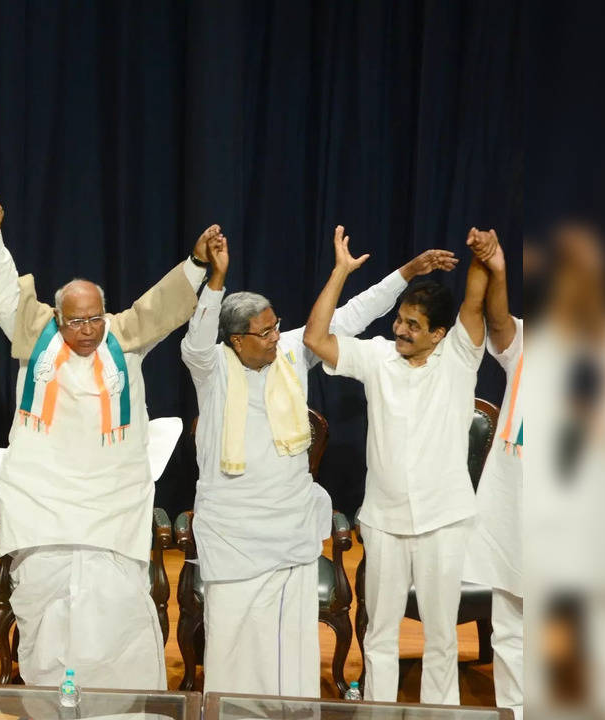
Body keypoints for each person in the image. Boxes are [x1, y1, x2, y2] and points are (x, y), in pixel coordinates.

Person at [182, 227, 455, 696]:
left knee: (290, 646)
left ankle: (291, 711)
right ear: (235, 340)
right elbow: (200, 329)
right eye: (263, 331)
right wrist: (215, 278)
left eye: (275, 326)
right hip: (233, 533)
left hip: (288, 529)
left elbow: (352, 315)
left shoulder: (289, 353)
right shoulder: (210, 368)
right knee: (232, 641)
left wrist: (402, 273)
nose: (273, 336)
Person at [0, 217, 211, 689]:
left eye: (94, 318)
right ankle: (52, 699)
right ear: (58, 317)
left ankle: (119, 703)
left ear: (104, 314)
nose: (87, 330)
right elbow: (6, 293)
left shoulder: (124, 338)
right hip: (45, 507)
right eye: (75, 321)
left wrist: (196, 263)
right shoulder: (33, 340)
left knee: (116, 612)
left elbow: (163, 306)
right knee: (48, 617)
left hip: (110, 508)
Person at [303, 225, 491, 704]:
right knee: (379, 635)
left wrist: (484, 258)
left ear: (439, 335)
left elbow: (474, 305)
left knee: (443, 638)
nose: (400, 330)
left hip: (444, 520)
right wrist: (342, 273)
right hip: (384, 520)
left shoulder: (457, 360)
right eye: (401, 319)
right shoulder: (377, 357)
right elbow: (316, 336)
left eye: (413, 324)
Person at [462, 229, 524, 719]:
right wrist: (497, 269)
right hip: (515, 508)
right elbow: (497, 321)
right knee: (511, 628)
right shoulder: (529, 342)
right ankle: (515, 711)